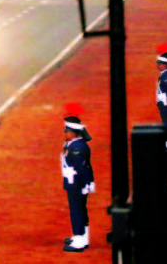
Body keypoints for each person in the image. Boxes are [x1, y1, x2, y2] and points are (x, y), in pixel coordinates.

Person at [62, 106, 95, 253]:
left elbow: (81, 168)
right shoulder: (75, 145)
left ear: (73, 133)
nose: (65, 133)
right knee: (80, 210)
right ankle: (82, 236)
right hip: (76, 183)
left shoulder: (77, 148)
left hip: (76, 184)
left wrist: (85, 184)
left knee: (76, 210)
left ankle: (79, 240)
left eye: (67, 131)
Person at [155, 51, 167, 149]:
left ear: (166, 65)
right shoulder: (164, 75)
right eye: (158, 62)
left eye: (161, 63)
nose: (158, 65)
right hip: (164, 105)